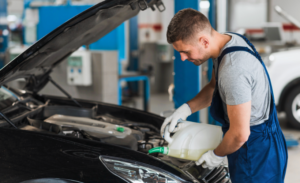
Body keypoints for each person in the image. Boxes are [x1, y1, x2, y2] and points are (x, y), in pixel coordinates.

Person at [161, 8, 288, 183]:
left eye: (186, 51)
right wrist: (184, 110)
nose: (182, 58)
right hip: (260, 142)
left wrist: (215, 155)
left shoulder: (233, 69)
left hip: (255, 152)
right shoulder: (227, 41)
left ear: (204, 41)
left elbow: (239, 134)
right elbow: (215, 87)